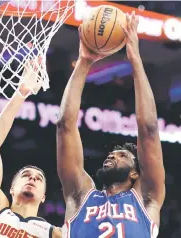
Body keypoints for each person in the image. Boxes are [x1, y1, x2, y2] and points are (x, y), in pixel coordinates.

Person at [56, 11, 165, 238]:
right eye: (114, 154)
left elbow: (149, 129)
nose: (112, 156)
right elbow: (65, 125)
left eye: (122, 156)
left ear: (136, 174)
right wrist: (84, 62)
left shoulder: (146, 198)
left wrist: (135, 61)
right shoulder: (80, 196)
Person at [0, 59, 61, 238]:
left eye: (38, 178)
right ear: (11, 189)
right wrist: (21, 92)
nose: (32, 178)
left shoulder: (54, 234)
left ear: (43, 196)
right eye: (26, 175)